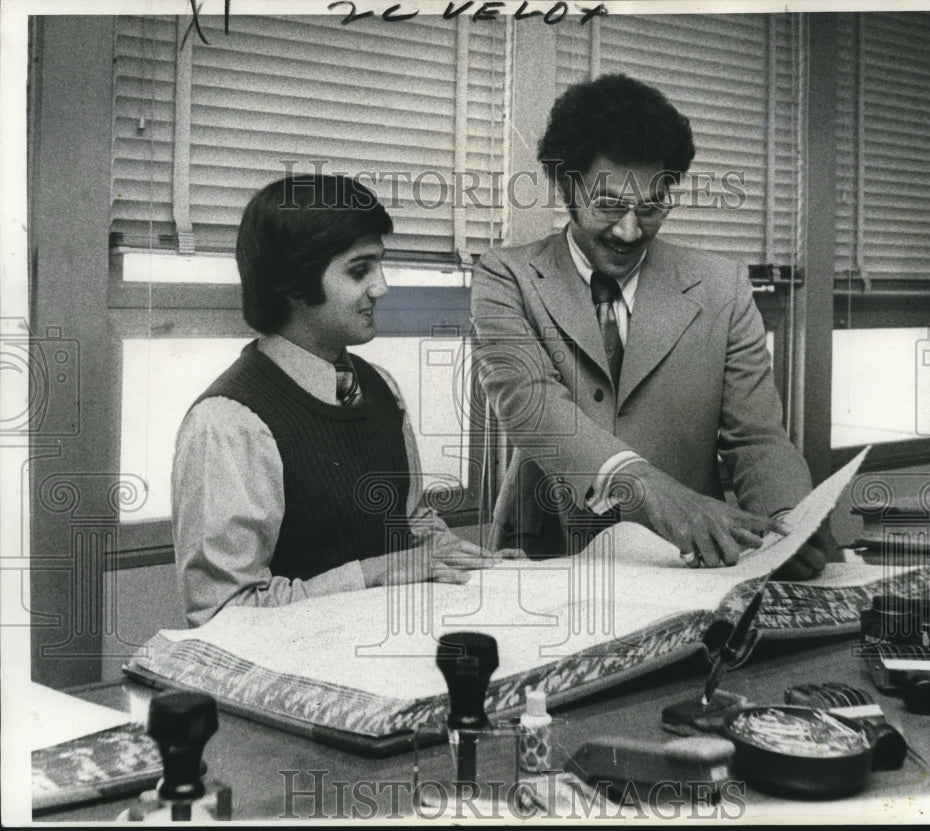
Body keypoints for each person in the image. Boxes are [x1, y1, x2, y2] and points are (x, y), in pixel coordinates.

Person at [470, 74, 835, 578]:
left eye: (651, 207)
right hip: (548, 553)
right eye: (609, 205)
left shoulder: (721, 284)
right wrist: (657, 495)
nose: (628, 230)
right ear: (565, 187)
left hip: (690, 558)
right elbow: (533, 409)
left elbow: (756, 437)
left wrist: (789, 520)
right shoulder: (504, 275)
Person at [174, 174, 506, 627]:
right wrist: (372, 573)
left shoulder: (381, 388)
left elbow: (412, 525)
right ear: (292, 282)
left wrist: (483, 567)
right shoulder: (229, 423)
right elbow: (224, 612)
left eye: (379, 266)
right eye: (358, 270)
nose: (381, 287)